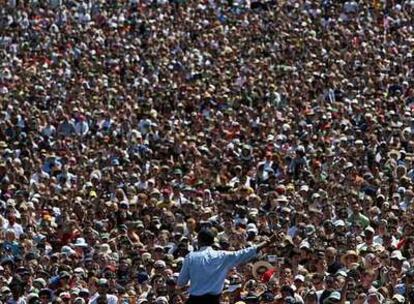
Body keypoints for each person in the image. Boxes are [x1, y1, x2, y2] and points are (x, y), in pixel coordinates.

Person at [177, 229, 277, 304]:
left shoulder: (190, 257)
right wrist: (267, 242)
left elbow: (181, 282)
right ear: (212, 242)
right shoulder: (222, 255)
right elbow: (244, 253)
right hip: (213, 300)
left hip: (194, 300)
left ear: (199, 241)